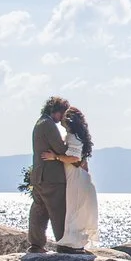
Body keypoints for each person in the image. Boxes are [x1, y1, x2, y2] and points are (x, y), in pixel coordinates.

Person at [27, 95, 73, 252]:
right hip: (52, 177)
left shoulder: (39, 123)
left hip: (39, 176)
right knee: (58, 211)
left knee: (39, 212)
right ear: (55, 110)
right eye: (62, 114)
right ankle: (64, 245)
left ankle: (36, 244)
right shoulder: (48, 125)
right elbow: (61, 149)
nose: (62, 119)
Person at [57, 103, 100, 251]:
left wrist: (55, 157)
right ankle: (75, 244)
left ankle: (72, 244)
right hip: (80, 176)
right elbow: (83, 162)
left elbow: (74, 158)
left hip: (75, 177)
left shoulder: (72, 136)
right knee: (76, 210)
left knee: (74, 210)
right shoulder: (78, 136)